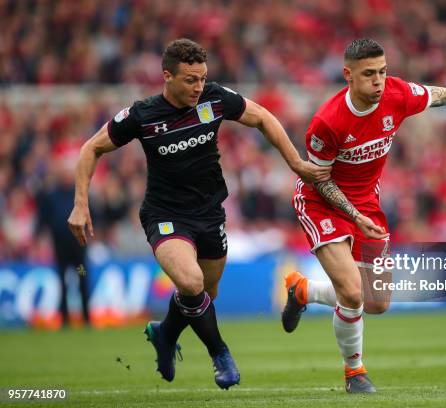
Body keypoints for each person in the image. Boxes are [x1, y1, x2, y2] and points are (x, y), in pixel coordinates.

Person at [67, 38, 329, 389]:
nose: (198, 86)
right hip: (164, 215)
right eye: (190, 79)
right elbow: (91, 148)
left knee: (206, 292)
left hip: (209, 213)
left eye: (202, 78)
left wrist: (296, 163)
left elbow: (263, 117)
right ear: (167, 77)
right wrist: (81, 204)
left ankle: (165, 334)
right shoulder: (142, 114)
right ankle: (220, 353)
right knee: (191, 284)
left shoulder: (215, 99)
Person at [282, 38, 446, 393]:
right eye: (368, 74)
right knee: (351, 293)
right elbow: (319, 181)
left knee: (376, 302)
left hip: (367, 205)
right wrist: (351, 213)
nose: (378, 81)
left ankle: (303, 290)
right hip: (322, 203)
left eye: (382, 71)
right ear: (348, 75)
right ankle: (355, 373)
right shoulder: (327, 122)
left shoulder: (397, 93)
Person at [36, 158, 90, 328]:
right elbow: (43, 217)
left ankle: (86, 318)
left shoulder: (79, 195)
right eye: (64, 174)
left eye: (69, 174)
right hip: (61, 249)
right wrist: (38, 237)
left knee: (82, 279)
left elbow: (90, 214)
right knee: (63, 282)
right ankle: (65, 319)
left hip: (78, 249)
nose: (67, 177)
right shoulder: (51, 195)